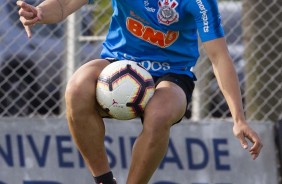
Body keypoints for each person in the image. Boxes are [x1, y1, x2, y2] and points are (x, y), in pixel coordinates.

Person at [17, 0, 263, 183]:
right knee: (76, 88)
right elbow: (62, 5)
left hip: (172, 74)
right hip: (118, 63)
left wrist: (238, 119)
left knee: (159, 114)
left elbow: (219, 58)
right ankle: (104, 180)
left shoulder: (199, 2)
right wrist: (40, 13)